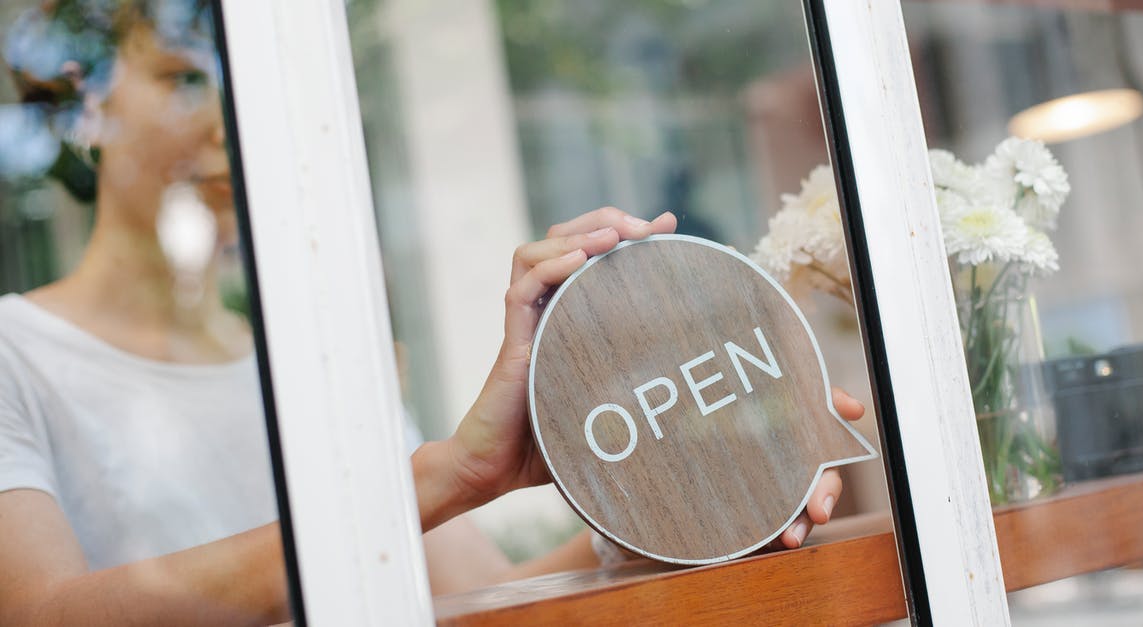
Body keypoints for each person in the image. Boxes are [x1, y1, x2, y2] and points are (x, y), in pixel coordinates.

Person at [0, 1, 866, 625]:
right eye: (184, 75)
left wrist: (686, 513)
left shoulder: (322, 364)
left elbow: (471, 594)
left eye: (241, 83)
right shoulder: (15, 351)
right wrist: (446, 474)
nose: (228, 117)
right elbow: (42, 614)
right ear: (85, 106)